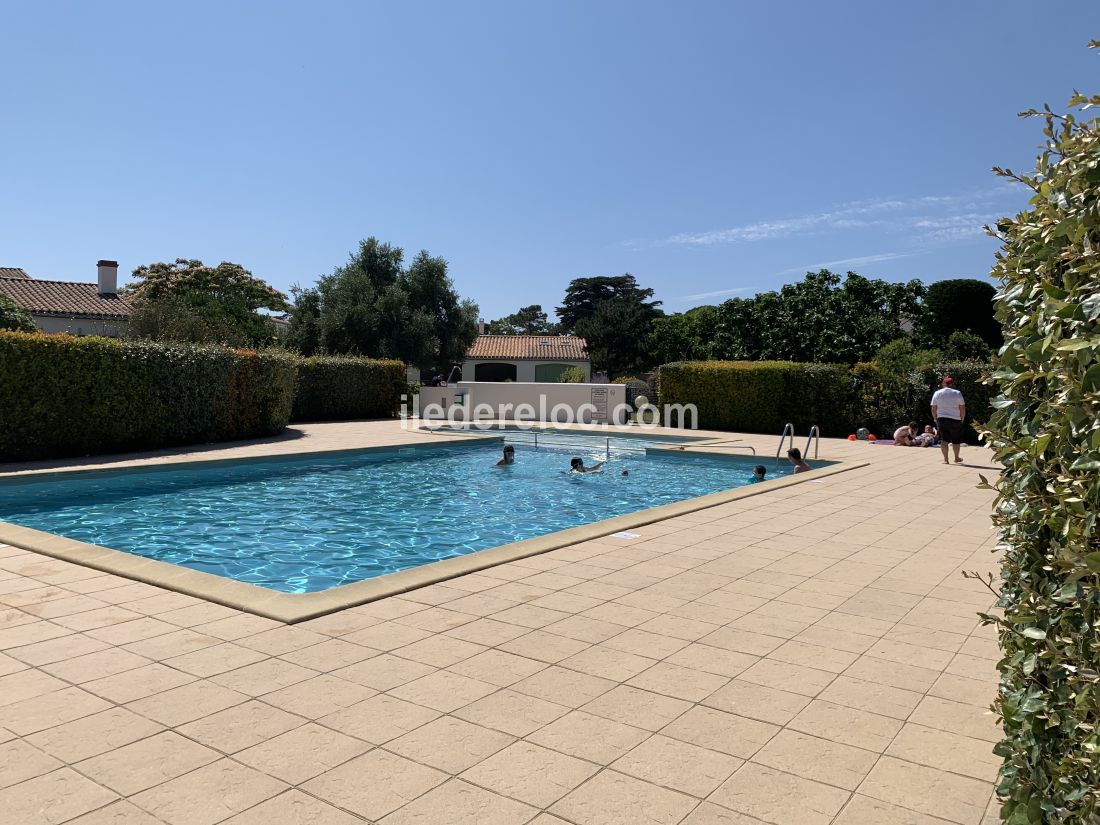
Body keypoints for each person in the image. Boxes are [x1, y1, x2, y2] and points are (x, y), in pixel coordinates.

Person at [931, 376, 966, 465]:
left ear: (943, 383)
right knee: (956, 440)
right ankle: (956, 458)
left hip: (942, 419)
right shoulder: (957, 393)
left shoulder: (937, 393)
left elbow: (933, 408)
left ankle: (946, 460)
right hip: (955, 419)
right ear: (952, 384)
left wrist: (935, 418)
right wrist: (962, 418)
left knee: (944, 440)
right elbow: (962, 407)